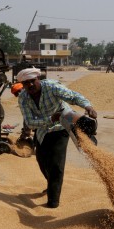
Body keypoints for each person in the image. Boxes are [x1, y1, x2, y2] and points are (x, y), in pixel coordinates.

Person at [17, 68, 97, 209]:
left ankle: (53, 201)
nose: (30, 85)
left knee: (56, 164)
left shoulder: (52, 87)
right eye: (26, 83)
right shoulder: (23, 97)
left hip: (62, 125)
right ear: (22, 85)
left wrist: (87, 106)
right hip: (42, 130)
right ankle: (52, 183)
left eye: (32, 81)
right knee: (42, 161)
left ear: (38, 79)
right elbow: (30, 122)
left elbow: (73, 96)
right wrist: (50, 118)